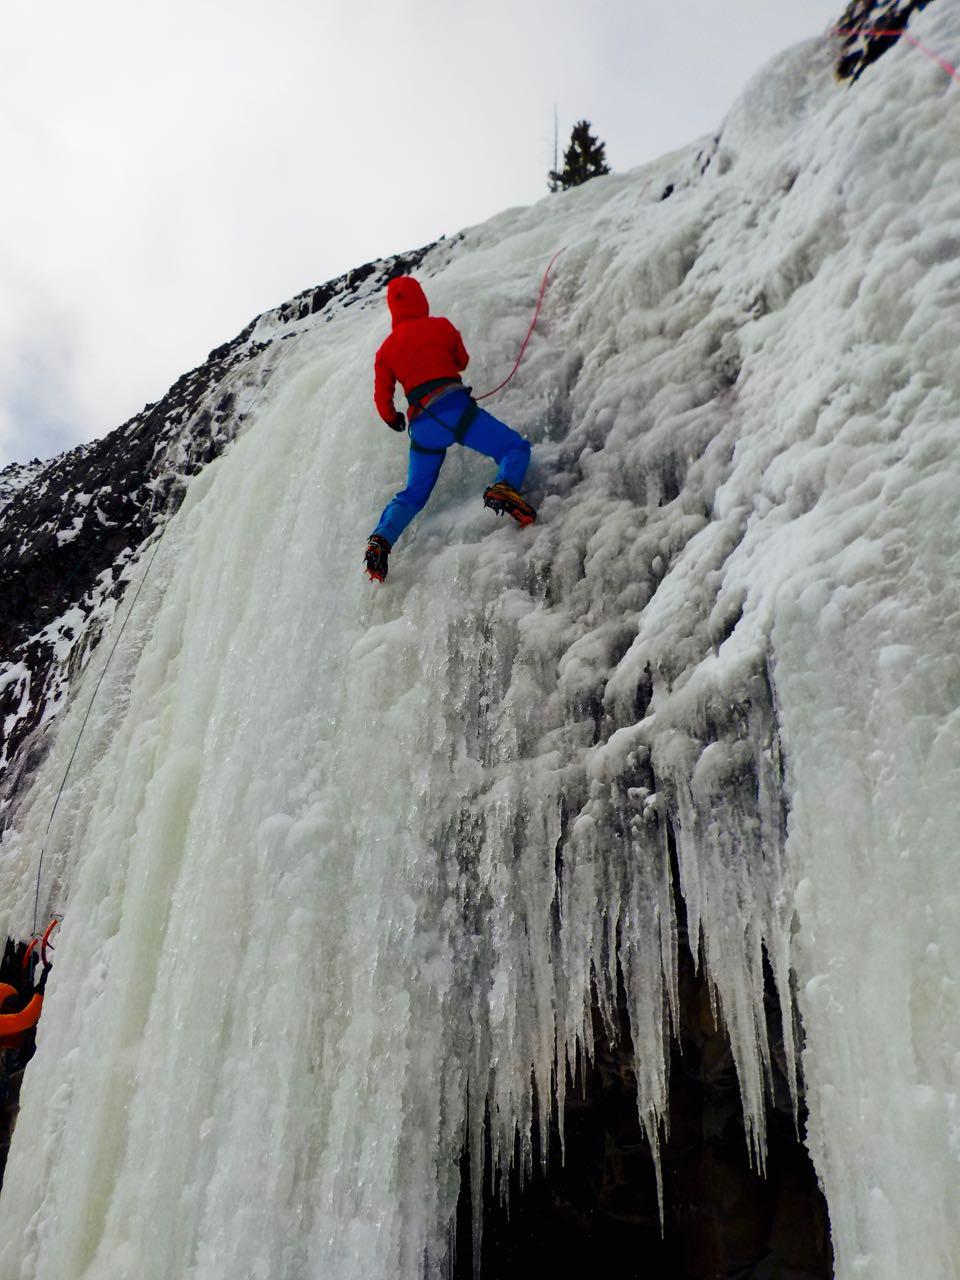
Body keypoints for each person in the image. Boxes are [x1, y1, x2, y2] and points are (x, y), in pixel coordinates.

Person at [364, 276, 537, 582]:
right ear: (421, 299)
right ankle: (505, 486)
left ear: (393, 309)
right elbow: (462, 359)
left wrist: (393, 418)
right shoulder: (440, 326)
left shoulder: (386, 349)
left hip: (423, 425)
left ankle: (381, 539)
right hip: (457, 409)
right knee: (513, 447)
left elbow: (382, 399)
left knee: (414, 493)